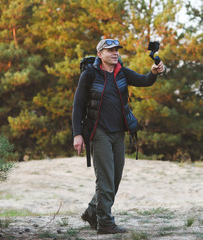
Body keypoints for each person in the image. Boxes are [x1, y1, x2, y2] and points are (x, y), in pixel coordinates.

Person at [72, 39, 164, 234]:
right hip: (99, 132)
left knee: (115, 179)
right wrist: (77, 134)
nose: (115, 53)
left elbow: (144, 80)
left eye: (116, 50)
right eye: (110, 50)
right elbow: (78, 106)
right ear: (100, 54)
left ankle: (91, 211)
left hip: (118, 133)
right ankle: (105, 222)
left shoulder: (122, 72)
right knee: (105, 179)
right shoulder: (89, 75)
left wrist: (154, 73)